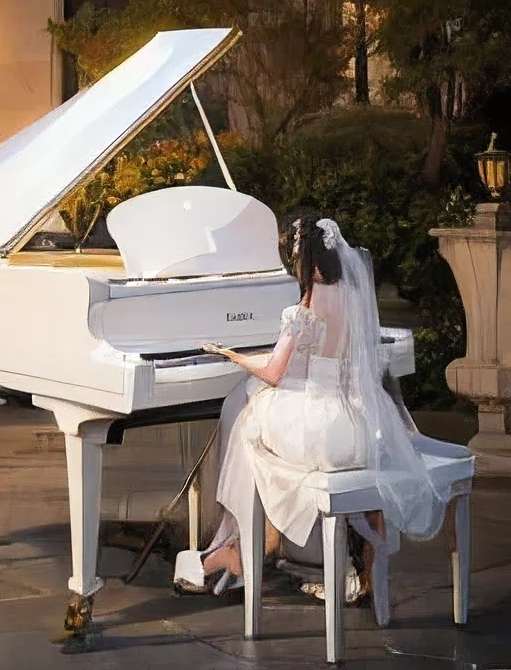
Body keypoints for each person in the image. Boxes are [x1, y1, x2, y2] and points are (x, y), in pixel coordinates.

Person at [174, 216, 454, 600]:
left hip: (321, 429)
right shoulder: (355, 296)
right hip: (357, 424)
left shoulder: (307, 304)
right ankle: (324, 565)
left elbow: (274, 372)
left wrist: (232, 355)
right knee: (252, 415)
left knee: (247, 418)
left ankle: (242, 548)